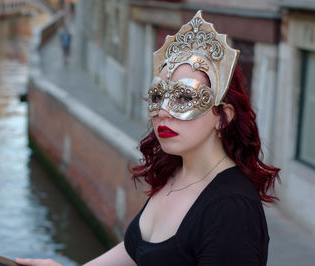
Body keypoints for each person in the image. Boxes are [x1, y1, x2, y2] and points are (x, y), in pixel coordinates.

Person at [15, 10, 280, 266]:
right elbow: (137, 250)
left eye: (185, 98)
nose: (163, 112)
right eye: (157, 97)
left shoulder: (232, 211)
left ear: (224, 116)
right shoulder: (174, 174)